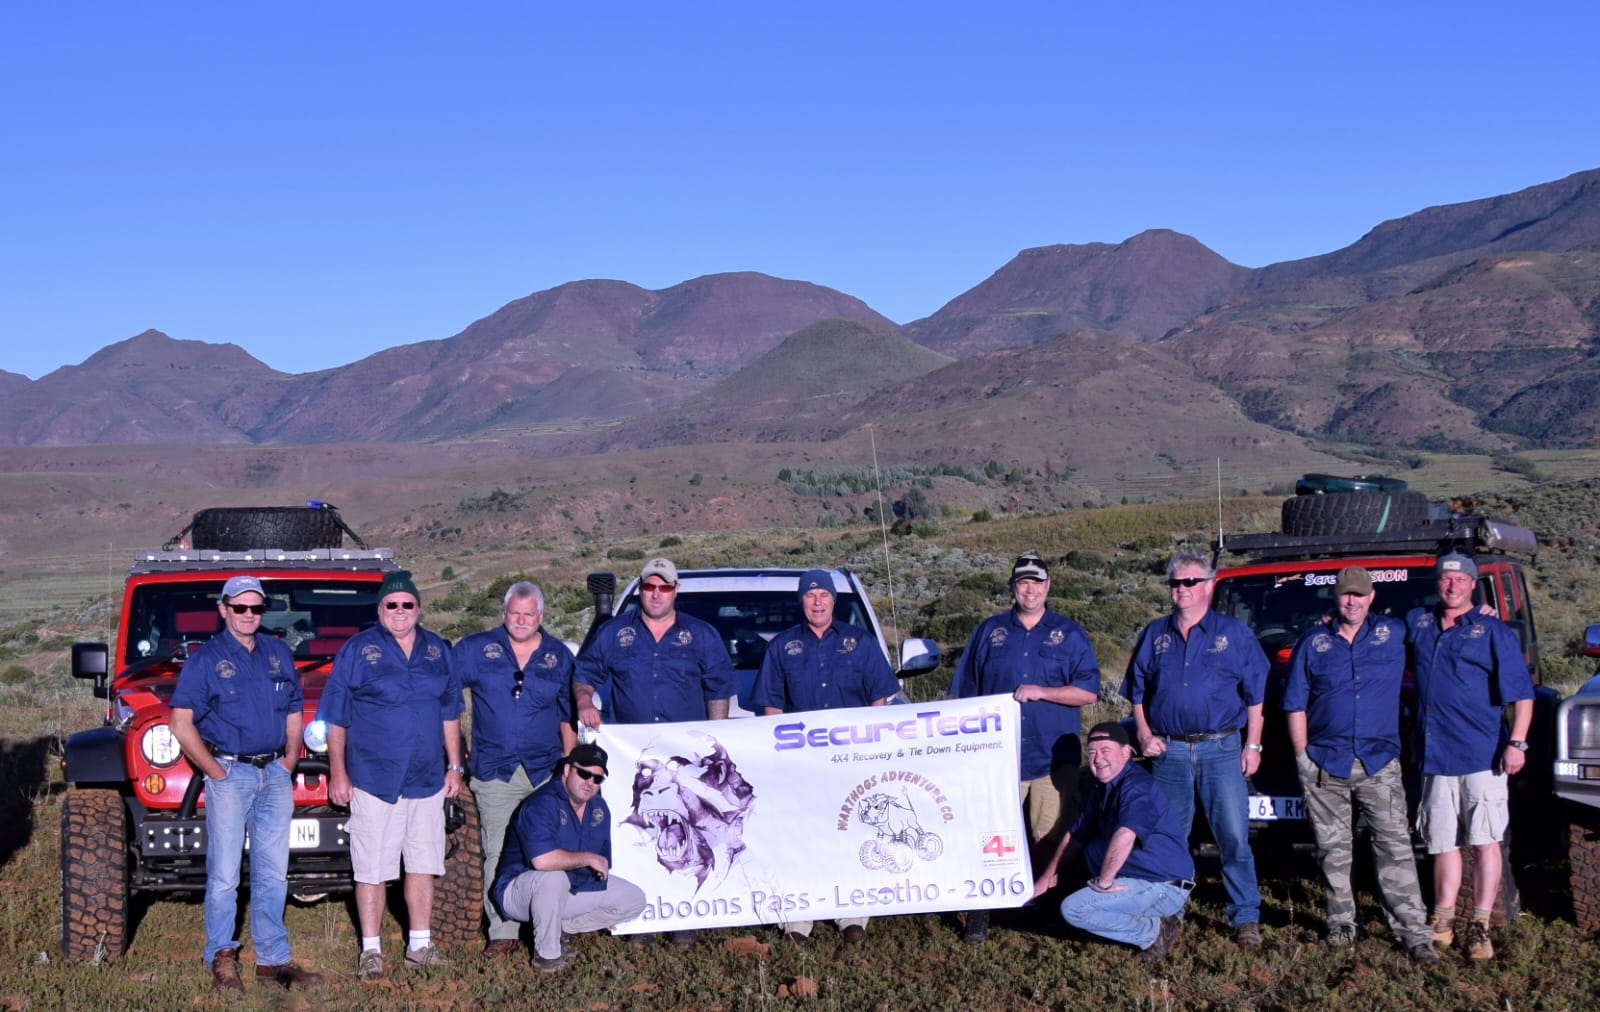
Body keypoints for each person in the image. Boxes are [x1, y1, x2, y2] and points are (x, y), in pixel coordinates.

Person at [573, 556, 736, 950]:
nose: (656, 594)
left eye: (664, 587)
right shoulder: (615, 633)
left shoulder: (701, 634)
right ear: (641, 589)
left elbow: (718, 687)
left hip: (685, 759)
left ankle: (684, 917)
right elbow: (584, 674)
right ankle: (640, 917)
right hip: (633, 758)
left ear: (675, 590)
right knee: (638, 833)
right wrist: (584, 701)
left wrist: (715, 739)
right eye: (650, 586)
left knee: (687, 832)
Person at [169, 575, 322, 994]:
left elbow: (294, 706)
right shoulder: (205, 660)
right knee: (224, 873)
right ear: (224, 609)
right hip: (230, 773)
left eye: (256, 607)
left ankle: (273, 961)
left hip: (274, 774)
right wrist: (214, 770)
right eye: (240, 607)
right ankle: (222, 957)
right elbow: (180, 723)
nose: (249, 614)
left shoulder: (277, 652)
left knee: (274, 872)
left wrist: (290, 758)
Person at [1283, 566, 1440, 964]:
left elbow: (1439, 617)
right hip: (1325, 762)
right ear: (1334, 598)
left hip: (1379, 762)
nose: (1351, 601)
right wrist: (1302, 756)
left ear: (1372, 598)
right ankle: (1341, 926)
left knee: (1395, 846)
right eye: (1345, 594)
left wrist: (1478, 612)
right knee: (1332, 850)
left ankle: (1413, 933)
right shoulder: (1314, 642)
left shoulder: (1394, 633)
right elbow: (1295, 703)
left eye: (1358, 594)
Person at [949, 551, 1101, 944]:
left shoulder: (1070, 634)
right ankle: (982, 910)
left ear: (1048, 585)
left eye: (1037, 582)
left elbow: (1088, 692)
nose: (1030, 590)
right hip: (998, 756)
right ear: (1012, 587)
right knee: (990, 833)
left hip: (1053, 757)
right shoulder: (990, 632)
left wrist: (1042, 692)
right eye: (1023, 583)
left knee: (1049, 835)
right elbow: (964, 693)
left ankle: (1042, 904)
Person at [322, 570, 465, 979]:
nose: (400, 611)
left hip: (427, 779)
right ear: (380, 608)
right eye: (392, 604)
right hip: (374, 779)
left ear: (418, 608)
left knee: (423, 863)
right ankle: (371, 951)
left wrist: (454, 765)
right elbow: (336, 716)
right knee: (372, 868)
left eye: (407, 604)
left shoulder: (437, 650)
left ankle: (420, 945)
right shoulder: (357, 649)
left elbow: (450, 712)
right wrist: (338, 772)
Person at [1122, 549, 1268, 947]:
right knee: (1169, 837)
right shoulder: (1155, 634)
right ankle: (1169, 911)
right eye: (1175, 582)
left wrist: (1253, 744)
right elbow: (1137, 692)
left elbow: (1255, 695)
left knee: (1233, 837)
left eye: (1190, 582)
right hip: (1169, 753)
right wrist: (1144, 734)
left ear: (1208, 585)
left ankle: (1245, 916)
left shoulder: (1233, 633)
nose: (1181, 589)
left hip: (1220, 749)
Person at [748, 568, 900, 944]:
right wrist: (780, 760)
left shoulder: (860, 643)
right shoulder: (781, 647)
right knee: (800, 837)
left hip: (852, 763)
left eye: (824, 595)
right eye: (810, 595)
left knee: (851, 834)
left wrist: (872, 751)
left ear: (834, 600)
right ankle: (799, 918)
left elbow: (879, 700)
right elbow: (771, 708)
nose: (817, 602)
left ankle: (852, 913)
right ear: (801, 601)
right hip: (801, 766)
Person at [1407, 552, 1534, 961]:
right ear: (1437, 583)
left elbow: (1522, 695)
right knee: (1442, 842)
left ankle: (1480, 925)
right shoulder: (1419, 623)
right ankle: (1442, 920)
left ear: (1472, 584)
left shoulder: (1493, 630)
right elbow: (1374, 628)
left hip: (1483, 754)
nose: (1452, 586)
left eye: (1461, 580)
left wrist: (1517, 743)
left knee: (1485, 842)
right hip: (1435, 755)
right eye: (1446, 579)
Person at [453, 581, 577, 955]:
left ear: (541, 616)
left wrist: (570, 768)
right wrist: (456, 753)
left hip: (547, 770)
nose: (521, 620)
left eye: (528, 614)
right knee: (498, 849)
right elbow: (445, 698)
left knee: (553, 848)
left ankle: (554, 926)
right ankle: (502, 930)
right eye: (514, 613)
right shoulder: (475, 649)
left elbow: (567, 717)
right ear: (504, 613)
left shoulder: (558, 655)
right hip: (495, 770)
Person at [1033, 722, 1194, 961]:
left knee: (1073, 909)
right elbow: (1076, 835)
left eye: (1105, 750)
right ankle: (1123, 905)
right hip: (1145, 871)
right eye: (1092, 752)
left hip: (1165, 886)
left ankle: (1155, 931)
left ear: (1126, 752)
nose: (1098, 759)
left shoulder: (1137, 788)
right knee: (1092, 850)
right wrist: (1046, 878)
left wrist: (1105, 882)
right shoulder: (1105, 786)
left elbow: (1126, 834)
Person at [491, 743, 647, 972]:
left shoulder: (599, 807)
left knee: (634, 899)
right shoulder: (541, 803)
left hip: (571, 886)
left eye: (597, 778)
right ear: (567, 770)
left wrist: (601, 903)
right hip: (519, 890)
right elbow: (542, 862)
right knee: (554, 878)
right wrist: (588, 859)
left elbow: (600, 867)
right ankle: (547, 957)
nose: (590, 782)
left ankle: (562, 926)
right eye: (584, 773)